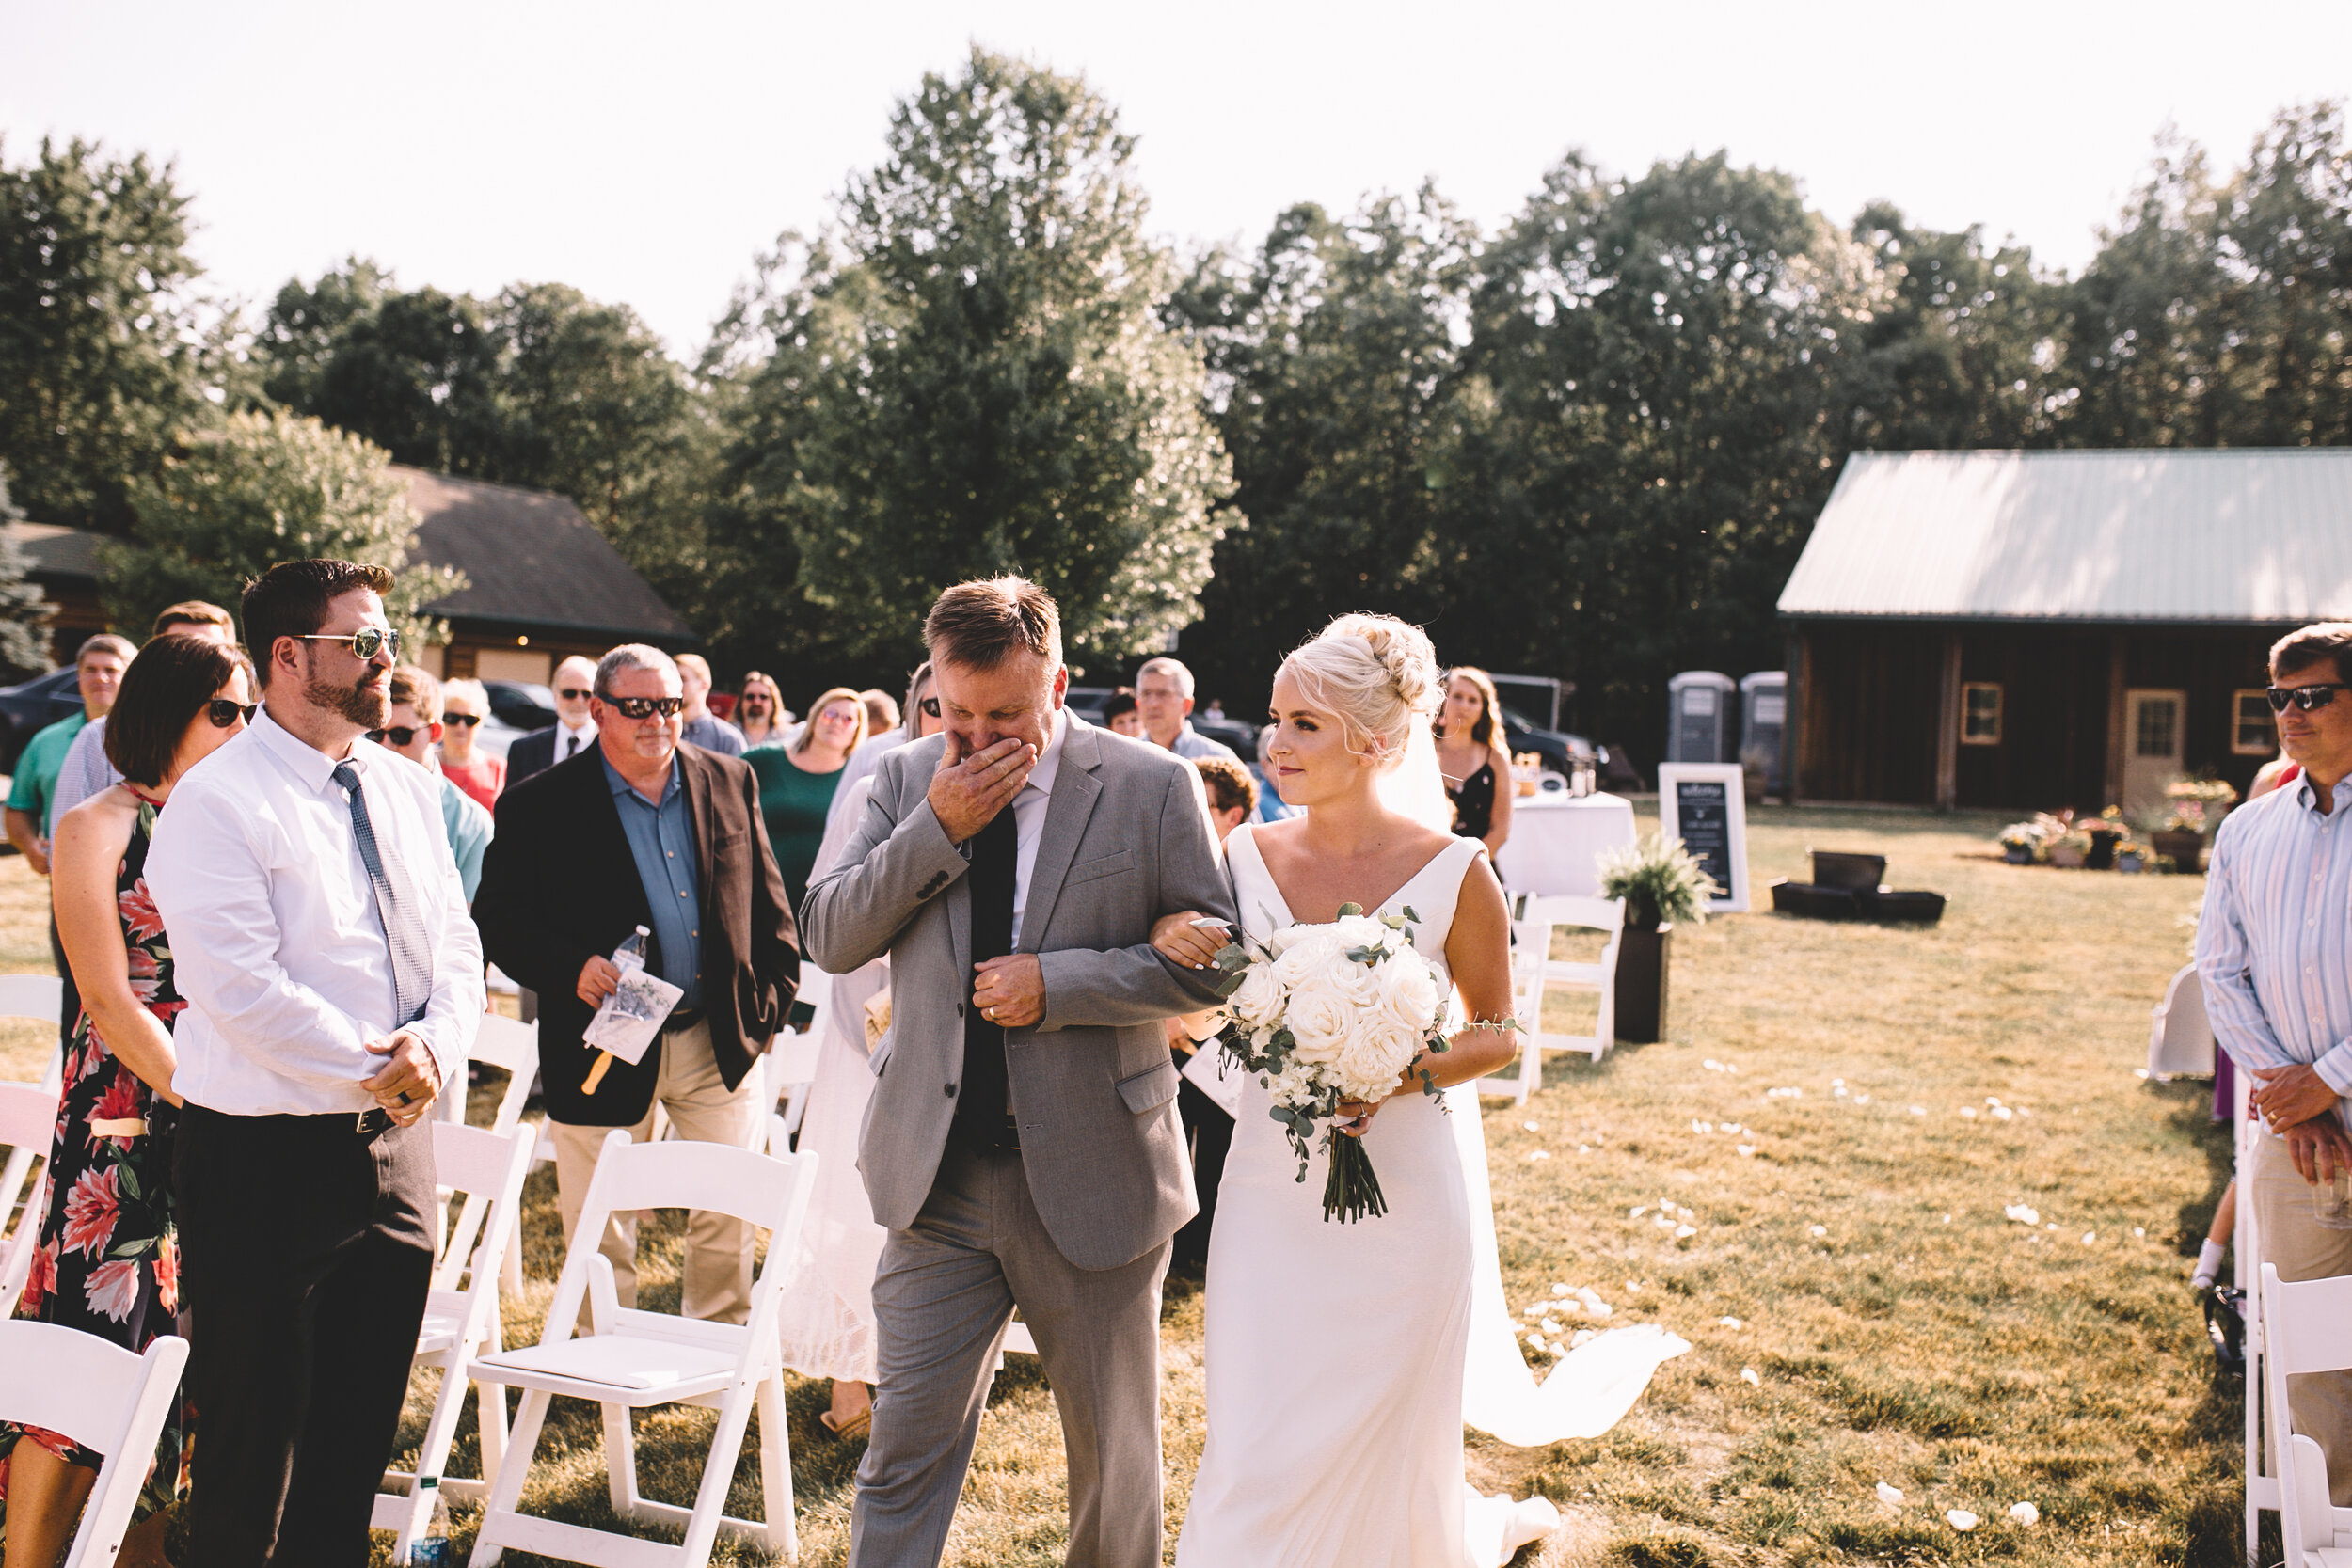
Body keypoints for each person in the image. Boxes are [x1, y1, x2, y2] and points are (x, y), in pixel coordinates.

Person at [802, 576, 1232, 1568]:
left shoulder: (1150, 783)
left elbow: (1210, 956)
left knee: (1112, 1460)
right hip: (934, 1176)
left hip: (1096, 1172)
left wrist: (1064, 983)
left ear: (1061, 682)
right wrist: (934, 826)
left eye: (1007, 713)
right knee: (901, 1449)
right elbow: (829, 933)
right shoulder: (907, 778)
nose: (979, 735)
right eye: (956, 711)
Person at [1149, 613, 1553, 1567]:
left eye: (1304, 725)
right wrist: (1176, 935)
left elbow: (1497, 1030)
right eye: (1275, 720)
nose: (1274, 743)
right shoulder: (1243, 855)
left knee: (1389, 1418)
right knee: (1255, 1419)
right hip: (1265, 1189)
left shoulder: (1460, 869)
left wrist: (1398, 1070)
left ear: (1373, 741)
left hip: (1409, 1190)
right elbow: (1204, 984)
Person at [146, 559, 484, 1566]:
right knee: (253, 1456)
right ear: (287, 657)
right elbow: (241, 990)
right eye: (363, 642)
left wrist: (434, 1045)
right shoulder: (215, 801)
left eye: (389, 642)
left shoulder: (409, 787)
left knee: (352, 1451)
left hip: (395, 1155)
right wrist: (385, 1067)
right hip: (264, 1161)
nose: (388, 661)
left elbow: (456, 945)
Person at [0, 635, 254, 1568]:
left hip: (230, 1105)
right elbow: (107, 995)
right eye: (224, 709)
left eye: (251, 712)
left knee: (173, 1349)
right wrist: (206, 1094)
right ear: (166, 711)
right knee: (88, 1330)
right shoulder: (97, 823)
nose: (244, 727)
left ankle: (137, 1554)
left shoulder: (234, 821)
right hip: (126, 1107)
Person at [472, 644, 799, 1325]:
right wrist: (572, 967)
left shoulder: (730, 778)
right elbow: (497, 920)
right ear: (598, 710)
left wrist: (767, 1007)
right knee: (601, 1211)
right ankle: (600, 1342)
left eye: (671, 704)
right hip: (601, 1043)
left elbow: (769, 906)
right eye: (639, 706)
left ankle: (719, 1344)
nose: (658, 720)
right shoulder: (540, 804)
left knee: (727, 1202)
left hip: (718, 1036)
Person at [2199, 621, 2352, 1501]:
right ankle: (2321, 1533)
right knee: (2307, 1357)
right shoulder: (2247, 832)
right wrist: (2291, 1093)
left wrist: (2329, 1077)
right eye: (2278, 698)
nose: (2290, 714)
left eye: (2313, 694)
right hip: (2295, 1144)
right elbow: (2219, 971)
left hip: (2314, 1104)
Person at [779, 671, 944, 1440]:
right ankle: (850, 1383)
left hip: (964, 1033)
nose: (950, 719)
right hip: (873, 1028)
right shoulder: (881, 779)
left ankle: (921, 1379)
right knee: (860, 1206)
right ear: (913, 710)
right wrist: (879, 1032)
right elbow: (834, 909)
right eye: (934, 705)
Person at [1163, 754, 1257, 1274]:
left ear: (1235, 815)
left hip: (1233, 1032)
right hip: (1170, 1027)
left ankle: (1207, 1246)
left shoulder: (1254, 871)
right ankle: (1176, 1238)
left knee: (1221, 1140)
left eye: (1203, 805)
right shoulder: (1171, 859)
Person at [44, 603, 238, 831]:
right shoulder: (100, 737)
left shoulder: (246, 737)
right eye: (180, 650)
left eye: (211, 648)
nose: (197, 662)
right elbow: (68, 841)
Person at [5, 633, 131, 875]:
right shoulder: (46, 741)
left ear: (130, 676)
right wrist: (30, 846)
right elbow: (19, 806)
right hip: (70, 877)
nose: (100, 677)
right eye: (90, 669)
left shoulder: (155, 740)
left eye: (111, 670)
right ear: (79, 676)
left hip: (137, 885)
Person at [746, 686, 866, 915]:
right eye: (830, 713)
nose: (837, 722)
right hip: (762, 892)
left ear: (857, 730)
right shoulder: (764, 759)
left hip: (826, 902)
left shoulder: (859, 779)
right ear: (815, 715)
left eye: (848, 718)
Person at [381, 666, 495, 900]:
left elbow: (465, 919)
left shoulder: (471, 824)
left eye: (401, 735)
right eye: (375, 734)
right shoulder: (347, 795)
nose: (386, 746)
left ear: (434, 732)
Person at [1437, 666, 1516, 859]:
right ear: (1444, 699)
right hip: (1424, 865)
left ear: (1483, 709)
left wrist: (1467, 868)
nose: (1464, 705)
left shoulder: (1496, 760)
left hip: (1479, 866)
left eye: (1473, 700)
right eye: (1457, 696)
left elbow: (1500, 830)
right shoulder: (1424, 751)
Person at [506, 654, 600, 783]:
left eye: (587, 694)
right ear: (555, 695)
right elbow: (512, 801)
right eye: (569, 694)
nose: (579, 701)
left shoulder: (613, 747)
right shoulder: (524, 749)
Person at [1136, 656, 1239, 760]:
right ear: (1137, 703)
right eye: (1146, 694)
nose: (1153, 704)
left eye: (1163, 694)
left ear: (1187, 705)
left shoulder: (1218, 760)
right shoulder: (1125, 757)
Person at [436, 676, 505, 813]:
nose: (461, 727)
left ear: (481, 723)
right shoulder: (425, 764)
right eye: (452, 718)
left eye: (470, 720)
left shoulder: (498, 768)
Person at [676, 652, 746, 756]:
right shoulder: (661, 733)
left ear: (704, 684)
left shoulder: (728, 739)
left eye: (682, 679)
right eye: (673, 679)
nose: (676, 685)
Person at [736, 670, 790, 749]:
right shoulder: (727, 736)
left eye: (763, 697)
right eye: (750, 697)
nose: (756, 702)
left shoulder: (787, 738)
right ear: (741, 702)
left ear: (774, 703)